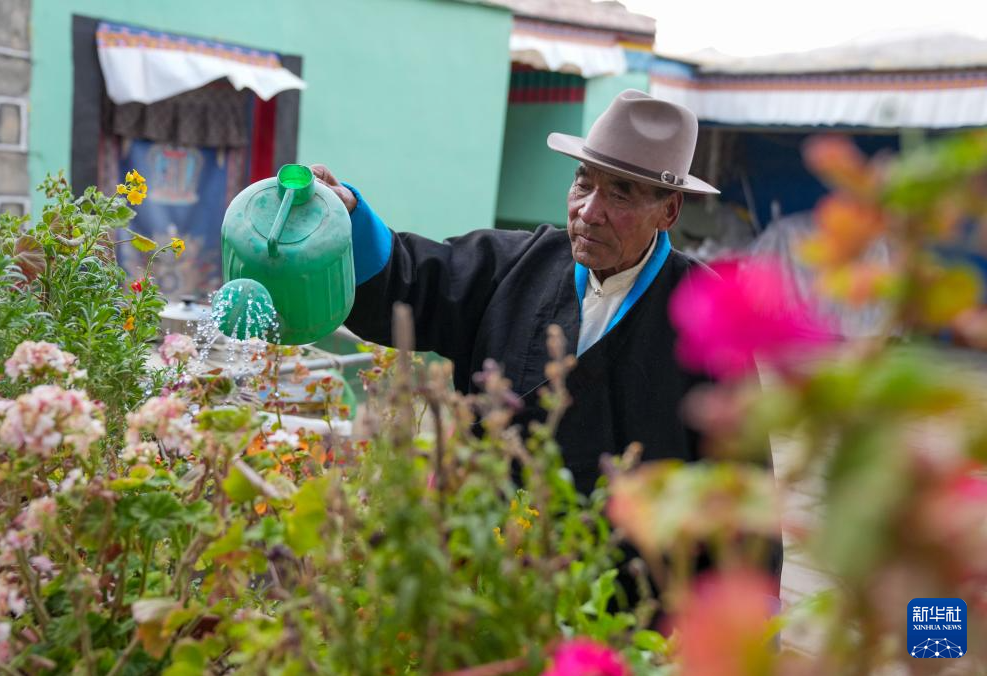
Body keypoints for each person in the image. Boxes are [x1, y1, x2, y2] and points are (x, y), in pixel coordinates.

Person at [312, 90, 780, 600]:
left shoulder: (706, 316)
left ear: (668, 211)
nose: (589, 211)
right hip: (488, 575)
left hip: (621, 603)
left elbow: (740, 492)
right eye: (583, 182)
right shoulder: (516, 265)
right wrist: (347, 217)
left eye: (621, 195)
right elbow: (412, 279)